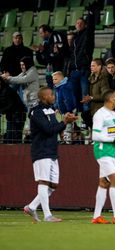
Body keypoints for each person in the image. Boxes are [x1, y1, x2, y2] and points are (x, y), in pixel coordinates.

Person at [23, 87, 77, 223]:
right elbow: (48, 130)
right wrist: (64, 122)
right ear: (43, 97)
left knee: (53, 184)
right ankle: (47, 215)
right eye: (51, 94)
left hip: (52, 150)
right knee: (44, 181)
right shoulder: (37, 112)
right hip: (41, 150)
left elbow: (55, 127)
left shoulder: (51, 110)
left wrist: (65, 123)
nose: (53, 96)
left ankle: (31, 207)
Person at [91, 89, 115, 224]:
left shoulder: (113, 114)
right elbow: (95, 135)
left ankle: (96, 216)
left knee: (104, 183)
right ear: (110, 99)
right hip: (102, 150)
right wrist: (112, 140)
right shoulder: (100, 114)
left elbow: (114, 130)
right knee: (114, 179)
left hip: (111, 150)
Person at [68, 9, 96, 114]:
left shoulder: (87, 35)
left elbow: (91, 28)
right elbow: (71, 56)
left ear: (85, 25)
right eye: (77, 23)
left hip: (84, 71)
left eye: (81, 23)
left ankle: (86, 120)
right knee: (74, 96)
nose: (79, 25)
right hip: (74, 72)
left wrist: (90, 14)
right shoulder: (74, 38)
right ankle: (76, 121)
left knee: (85, 96)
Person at [81, 59, 110, 129]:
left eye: (93, 66)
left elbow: (105, 96)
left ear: (99, 66)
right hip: (93, 108)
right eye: (91, 66)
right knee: (84, 115)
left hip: (100, 108)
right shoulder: (91, 78)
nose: (91, 67)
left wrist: (91, 98)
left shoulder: (103, 79)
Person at [52, 71, 77, 143]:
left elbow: (68, 100)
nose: (53, 81)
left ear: (61, 79)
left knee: (68, 125)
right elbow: (58, 100)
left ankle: (68, 141)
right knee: (63, 125)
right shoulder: (58, 88)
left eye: (55, 79)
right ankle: (64, 140)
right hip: (62, 111)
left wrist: (68, 111)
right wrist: (57, 108)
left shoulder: (65, 87)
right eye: (53, 79)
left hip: (68, 110)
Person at [0, 77, 26, 144]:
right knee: (10, 138)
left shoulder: (7, 91)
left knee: (15, 138)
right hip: (12, 116)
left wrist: (1, 111)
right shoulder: (3, 90)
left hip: (18, 115)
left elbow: (11, 105)